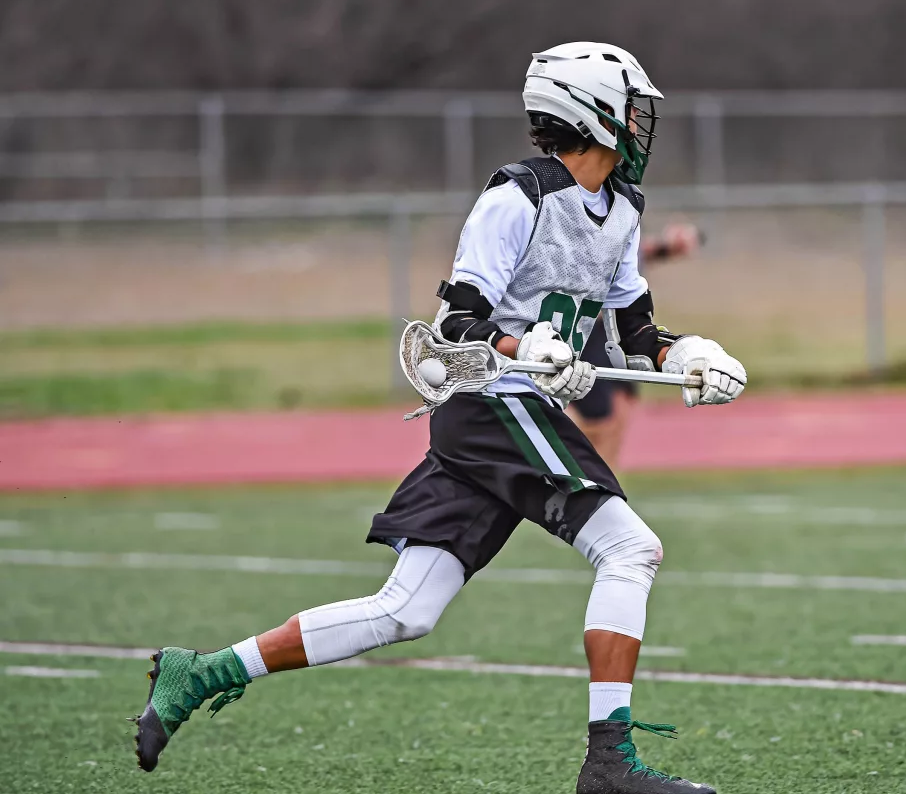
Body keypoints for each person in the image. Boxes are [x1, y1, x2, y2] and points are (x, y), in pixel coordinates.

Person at [130, 42, 746, 794]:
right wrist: (528, 346)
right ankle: (609, 765)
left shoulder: (622, 210)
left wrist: (688, 357)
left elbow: (637, 335)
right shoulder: (517, 197)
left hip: (514, 412)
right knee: (631, 549)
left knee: (405, 610)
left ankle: (201, 672)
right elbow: (456, 327)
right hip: (489, 405)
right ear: (592, 112)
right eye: (632, 110)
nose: (642, 127)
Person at [570, 222, 702, 468]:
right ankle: (576, 479)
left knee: (622, 406)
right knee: (596, 419)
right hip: (589, 329)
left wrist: (668, 246)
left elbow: (636, 252)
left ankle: (608, 485)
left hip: (618, 329)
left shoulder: (621, 212)